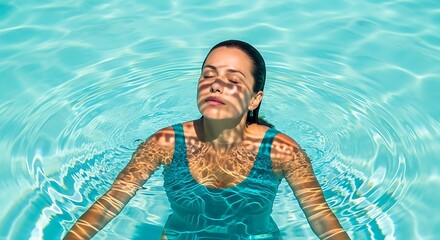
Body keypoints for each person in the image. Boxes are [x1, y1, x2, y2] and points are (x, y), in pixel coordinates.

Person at [64, 40, 350, 240]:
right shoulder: (165, 143)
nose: (215, 84)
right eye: (208, 75)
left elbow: (321, 217)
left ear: (254, 99)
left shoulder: (281, 151)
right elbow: (109, 203)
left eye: (233, 80)